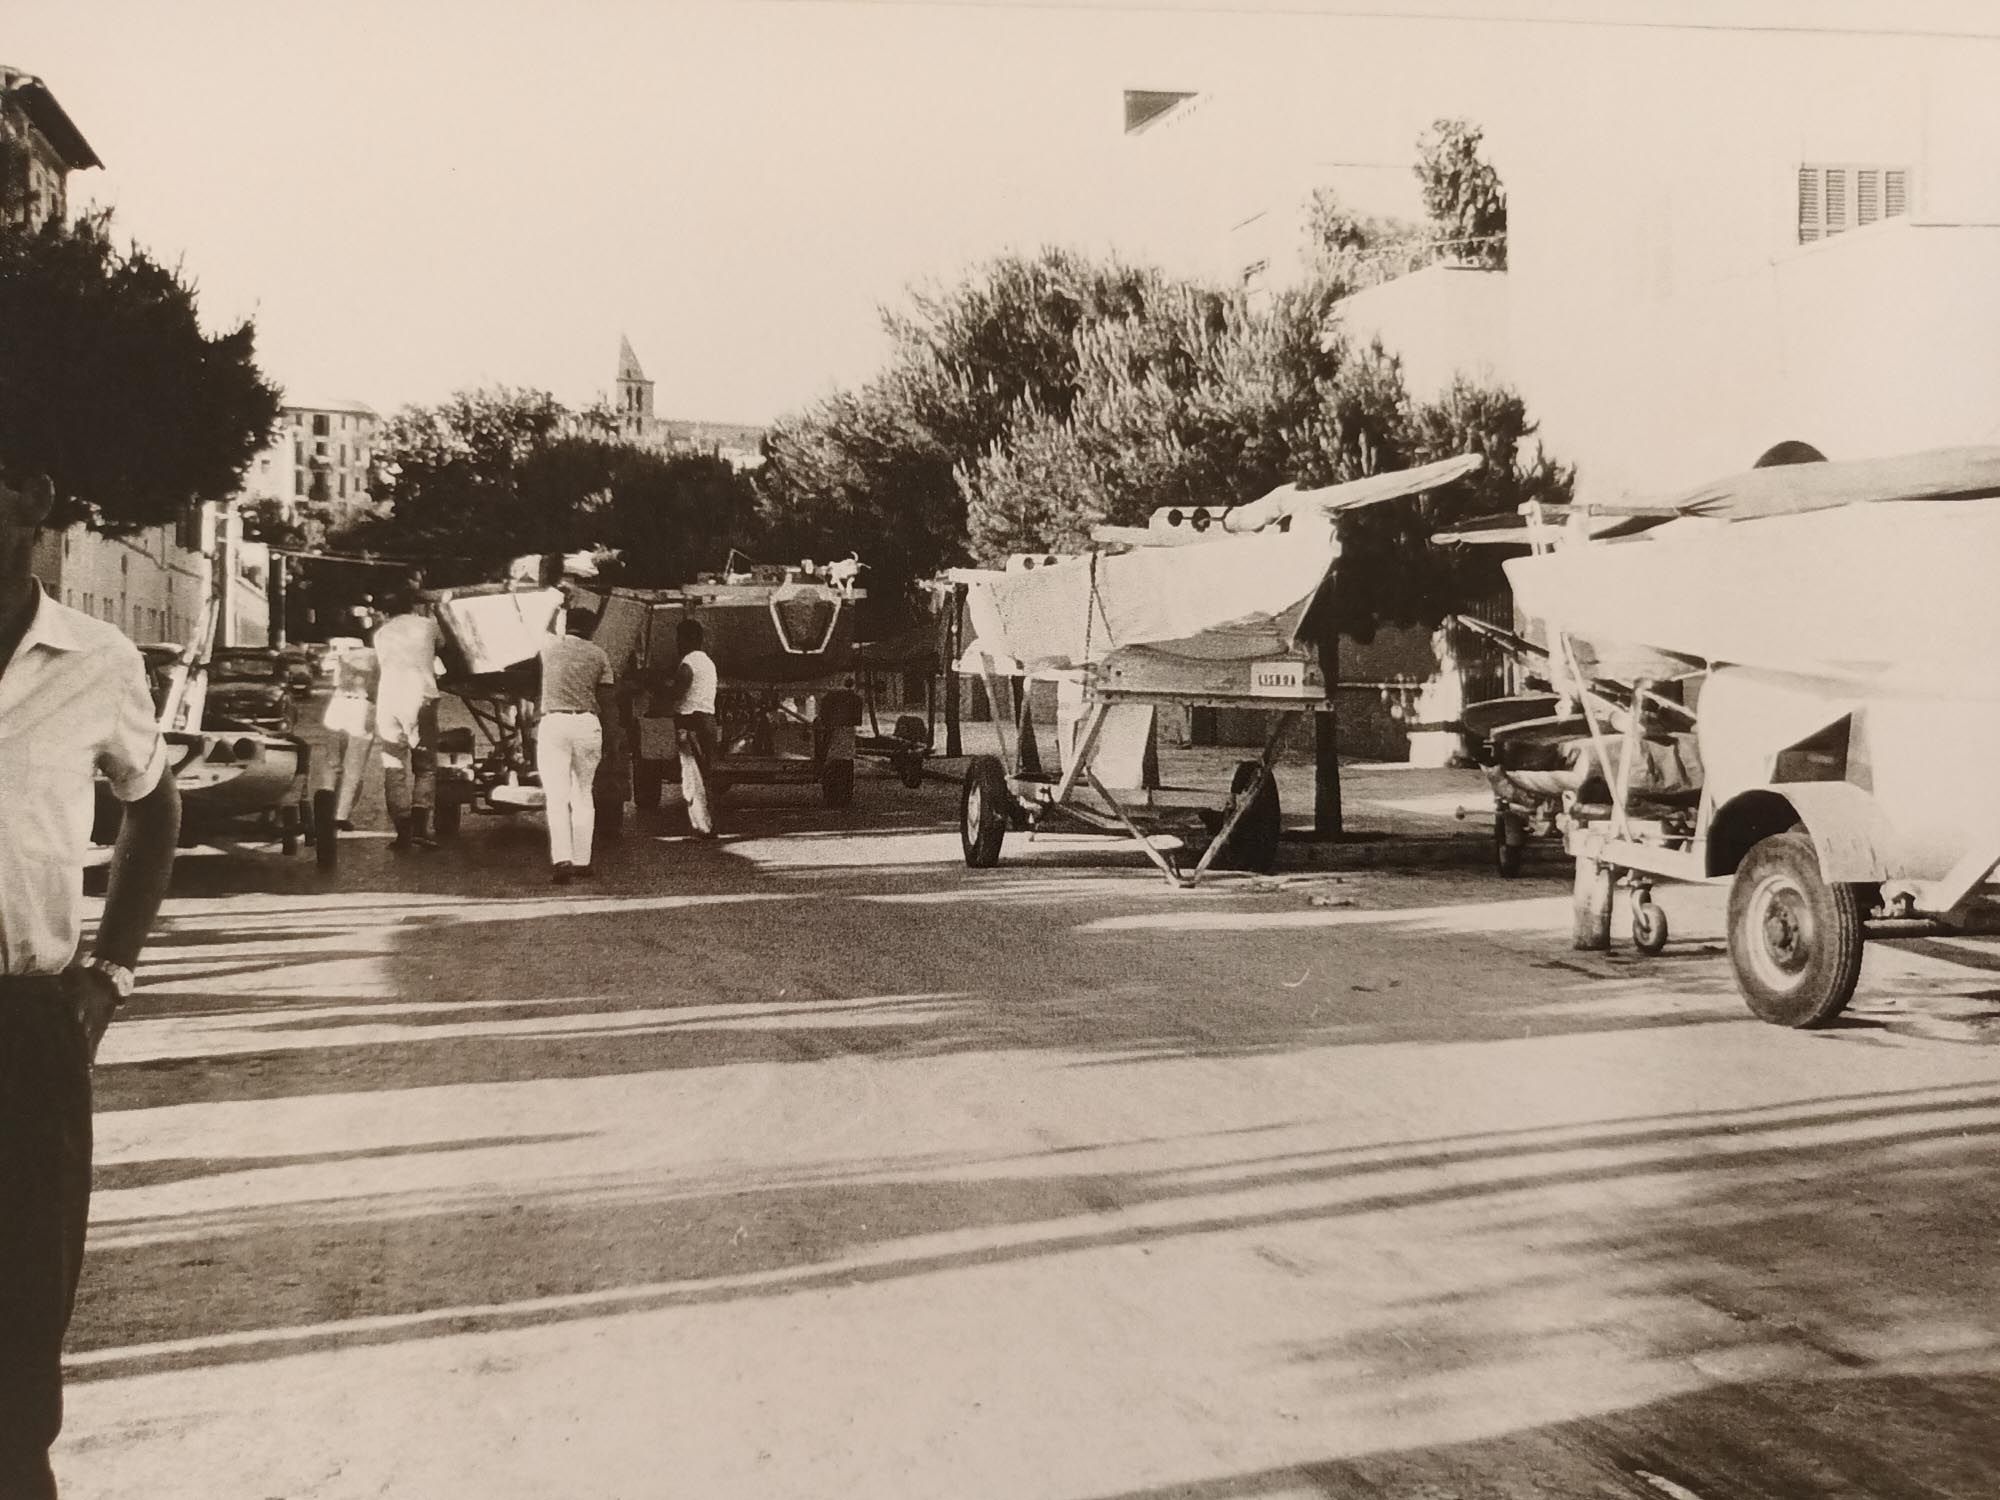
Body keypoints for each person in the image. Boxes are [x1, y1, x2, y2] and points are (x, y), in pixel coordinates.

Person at [0, 468, 180, 1499]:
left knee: (21, 1335)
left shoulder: (97, 659)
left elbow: (151, 808)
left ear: (32, 502)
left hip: (24, 1033)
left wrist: (110, 971)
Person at [535, 604, 614, 883]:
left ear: (565, 625)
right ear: (592, 629)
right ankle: (583, 861)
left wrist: (556, 604)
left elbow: (541, 626)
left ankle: (562, 860)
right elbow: (607, 699)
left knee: (556, 797)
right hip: (586, 724)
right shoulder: (599, 655)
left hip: (554, 723)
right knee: (583, 794)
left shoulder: (549, 648)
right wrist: (611, 737)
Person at [372, 588, 444, 851]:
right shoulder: (427, 626)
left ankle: (403, 831)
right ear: (413, 606)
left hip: (388, 701)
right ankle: (421, 827)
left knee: (394, 766)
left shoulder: (381, 634)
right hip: (420, 698)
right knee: (425, 766)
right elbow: (444, 646)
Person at [659, 617, 719, 839]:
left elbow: (677, 692)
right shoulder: (707, 662)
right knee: (706, 774)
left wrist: (664, 688)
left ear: (687, 639)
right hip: (707, 720)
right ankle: (708, 823)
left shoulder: (688, 663)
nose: (677, 643)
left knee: (693, 776)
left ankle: (703, 827)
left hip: (691, 722)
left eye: (679, 638)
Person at [321, 633, 379, 831]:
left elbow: (331, 678)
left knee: (331, 763)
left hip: (337, 704)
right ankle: (341, 814)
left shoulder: (340, 658)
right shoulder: (374, 657)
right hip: (361, 707)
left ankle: (324, 808)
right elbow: (377, 687)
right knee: (354, 767)